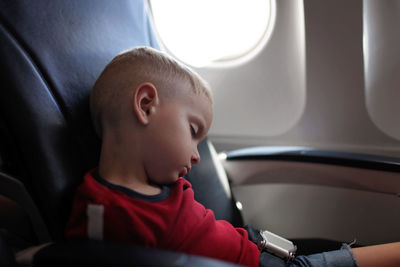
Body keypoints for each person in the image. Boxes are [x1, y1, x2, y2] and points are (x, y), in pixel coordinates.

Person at [65, 46, 400, 267]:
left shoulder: (164, 183)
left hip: (257, 246)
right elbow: (86, 258)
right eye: (193, 131)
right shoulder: (105, 211)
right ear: (146, 105)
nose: (197, 156)